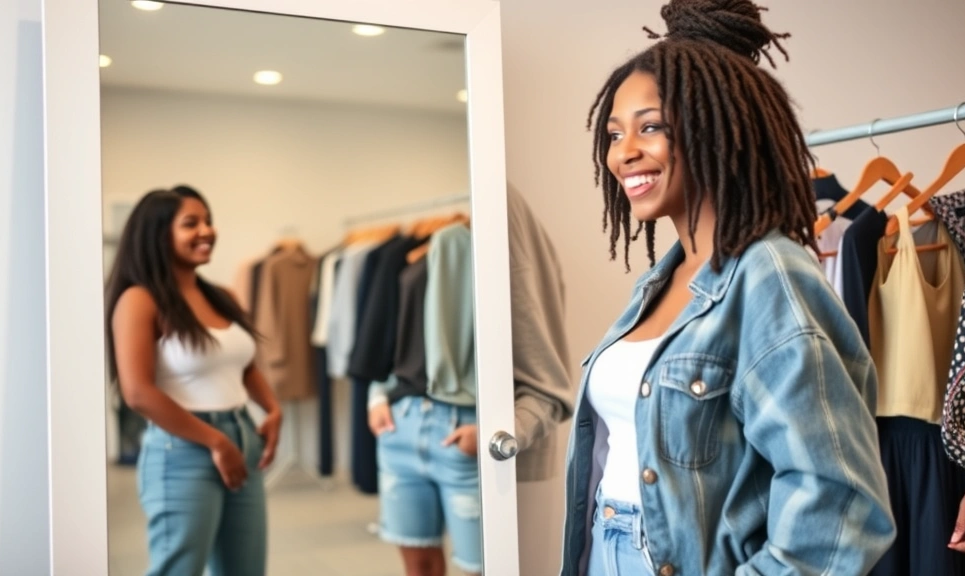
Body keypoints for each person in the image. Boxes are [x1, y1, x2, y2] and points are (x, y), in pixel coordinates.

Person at [560, 1, 897, 574]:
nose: (623, 153)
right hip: (607, 545)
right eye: (615, 133)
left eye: (650, 127)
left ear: (711, 126)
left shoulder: (773, 276)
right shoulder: (661, 283)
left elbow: (841, 504)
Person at [367, 185, 575, 576]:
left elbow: (552, 385)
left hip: (462, 433)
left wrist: (494, 435)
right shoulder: (419, 254)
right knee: (417, 563)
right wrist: (376, 398)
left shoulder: (494, 241)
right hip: (401, 425)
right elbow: (392, 343)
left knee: (481, 566)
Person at [105, 185, 282, 576]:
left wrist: (272, 408)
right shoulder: (140, 300)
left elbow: (244, 364)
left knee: (246, 569)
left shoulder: (222, 295)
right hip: (181, 450)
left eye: (208, 221)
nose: (206, 230)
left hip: (242, 438)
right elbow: (138, 393)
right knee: (179, 569)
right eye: (191, 223)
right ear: (158, 234)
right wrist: (216, 441)